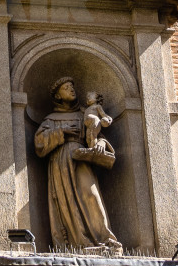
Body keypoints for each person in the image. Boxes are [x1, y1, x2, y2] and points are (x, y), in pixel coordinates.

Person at [33, 77, 122, 254]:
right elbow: (39, 142)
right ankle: (79, 243)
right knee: (68, 202)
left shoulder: (85, 114)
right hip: (61, 160)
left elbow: (97, 135)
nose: (72, 90)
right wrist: (62, 132)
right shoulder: (51, 119)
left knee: (91, 195)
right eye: (66, 88)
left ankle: (105, 239)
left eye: (72, 87)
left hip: (82, 159)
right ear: (58, 96)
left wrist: (101, 144)